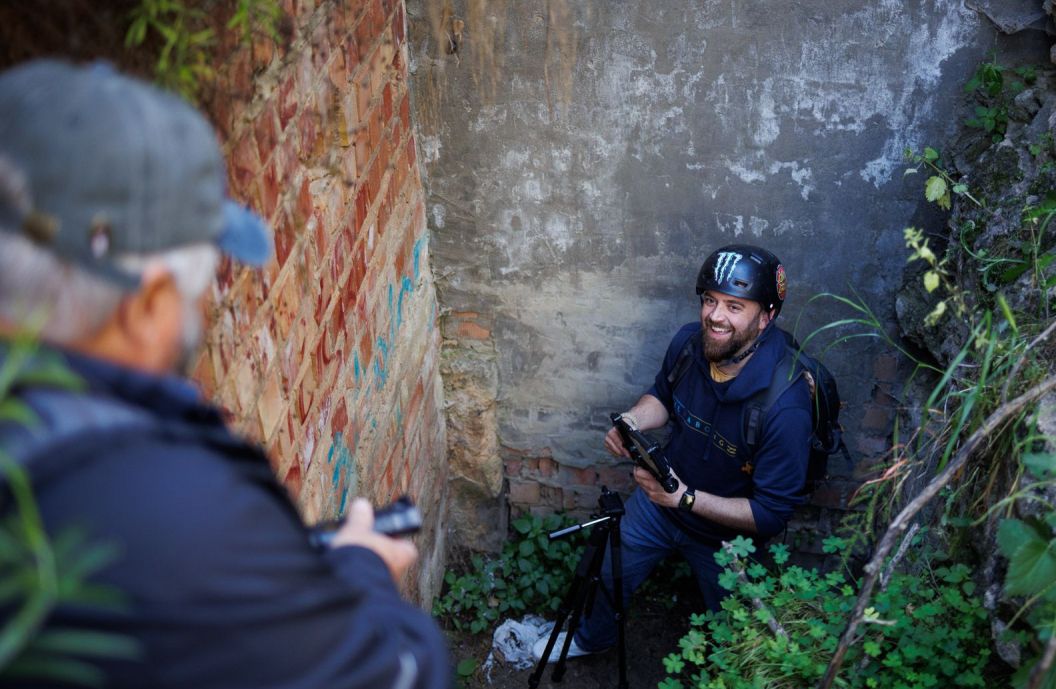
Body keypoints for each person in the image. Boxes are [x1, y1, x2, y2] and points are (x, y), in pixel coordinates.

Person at [0, 60, 449, 689]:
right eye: (200, 287)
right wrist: (364, 572)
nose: (203, 307)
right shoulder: (175, 517)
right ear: (147, 304)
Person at [535, 244, 814, 659]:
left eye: (735, 307)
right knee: (611, 574)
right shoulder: (689, 344)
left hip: (728, 539)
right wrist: (632, 421)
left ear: (766, 317)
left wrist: (686, 497)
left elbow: (770, 514)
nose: (715, 316)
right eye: (710, 301)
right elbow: (663, 396)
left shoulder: (785, 404)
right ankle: (590, 639)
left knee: (737, 639)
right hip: (660, 504)